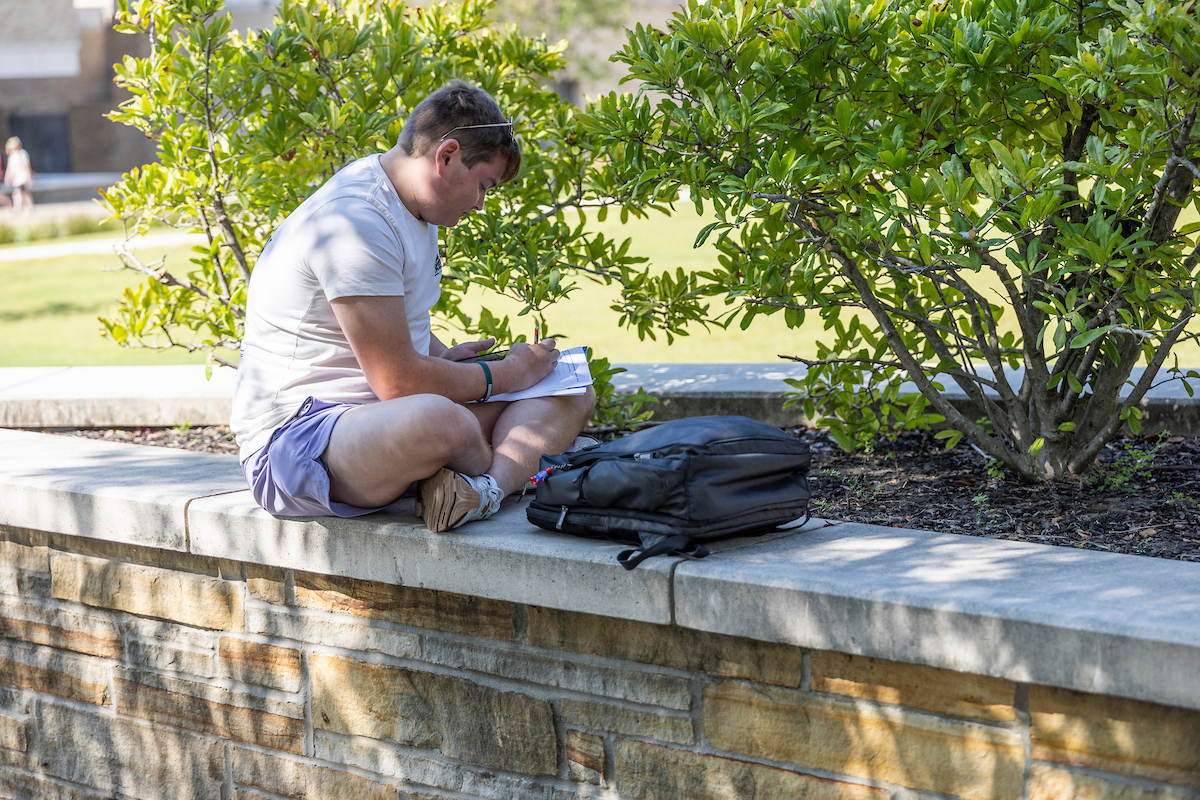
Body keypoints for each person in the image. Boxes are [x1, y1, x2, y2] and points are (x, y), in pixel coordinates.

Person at [230, 80, 595, 532]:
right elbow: (398, 382)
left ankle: (485, 490)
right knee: (445, 421)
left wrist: (442, 358)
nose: (481, 204)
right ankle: (520, 466)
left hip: (380, 423)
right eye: (483, 185)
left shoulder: (415, 205)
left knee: (568, 385)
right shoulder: (356, 221)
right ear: (446, 157)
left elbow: (394, 320)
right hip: (298, 441)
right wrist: (508, 374)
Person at [3, 137, 33, 214]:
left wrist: (29, 177)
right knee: (24, 194)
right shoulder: (12, 156)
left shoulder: (22, 154)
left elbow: (27, 166)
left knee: (18, 194)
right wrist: (8, 177)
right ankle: (30, 208)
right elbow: (10, 169)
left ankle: (18, 209)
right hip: (17, 178)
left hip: (22, 178)